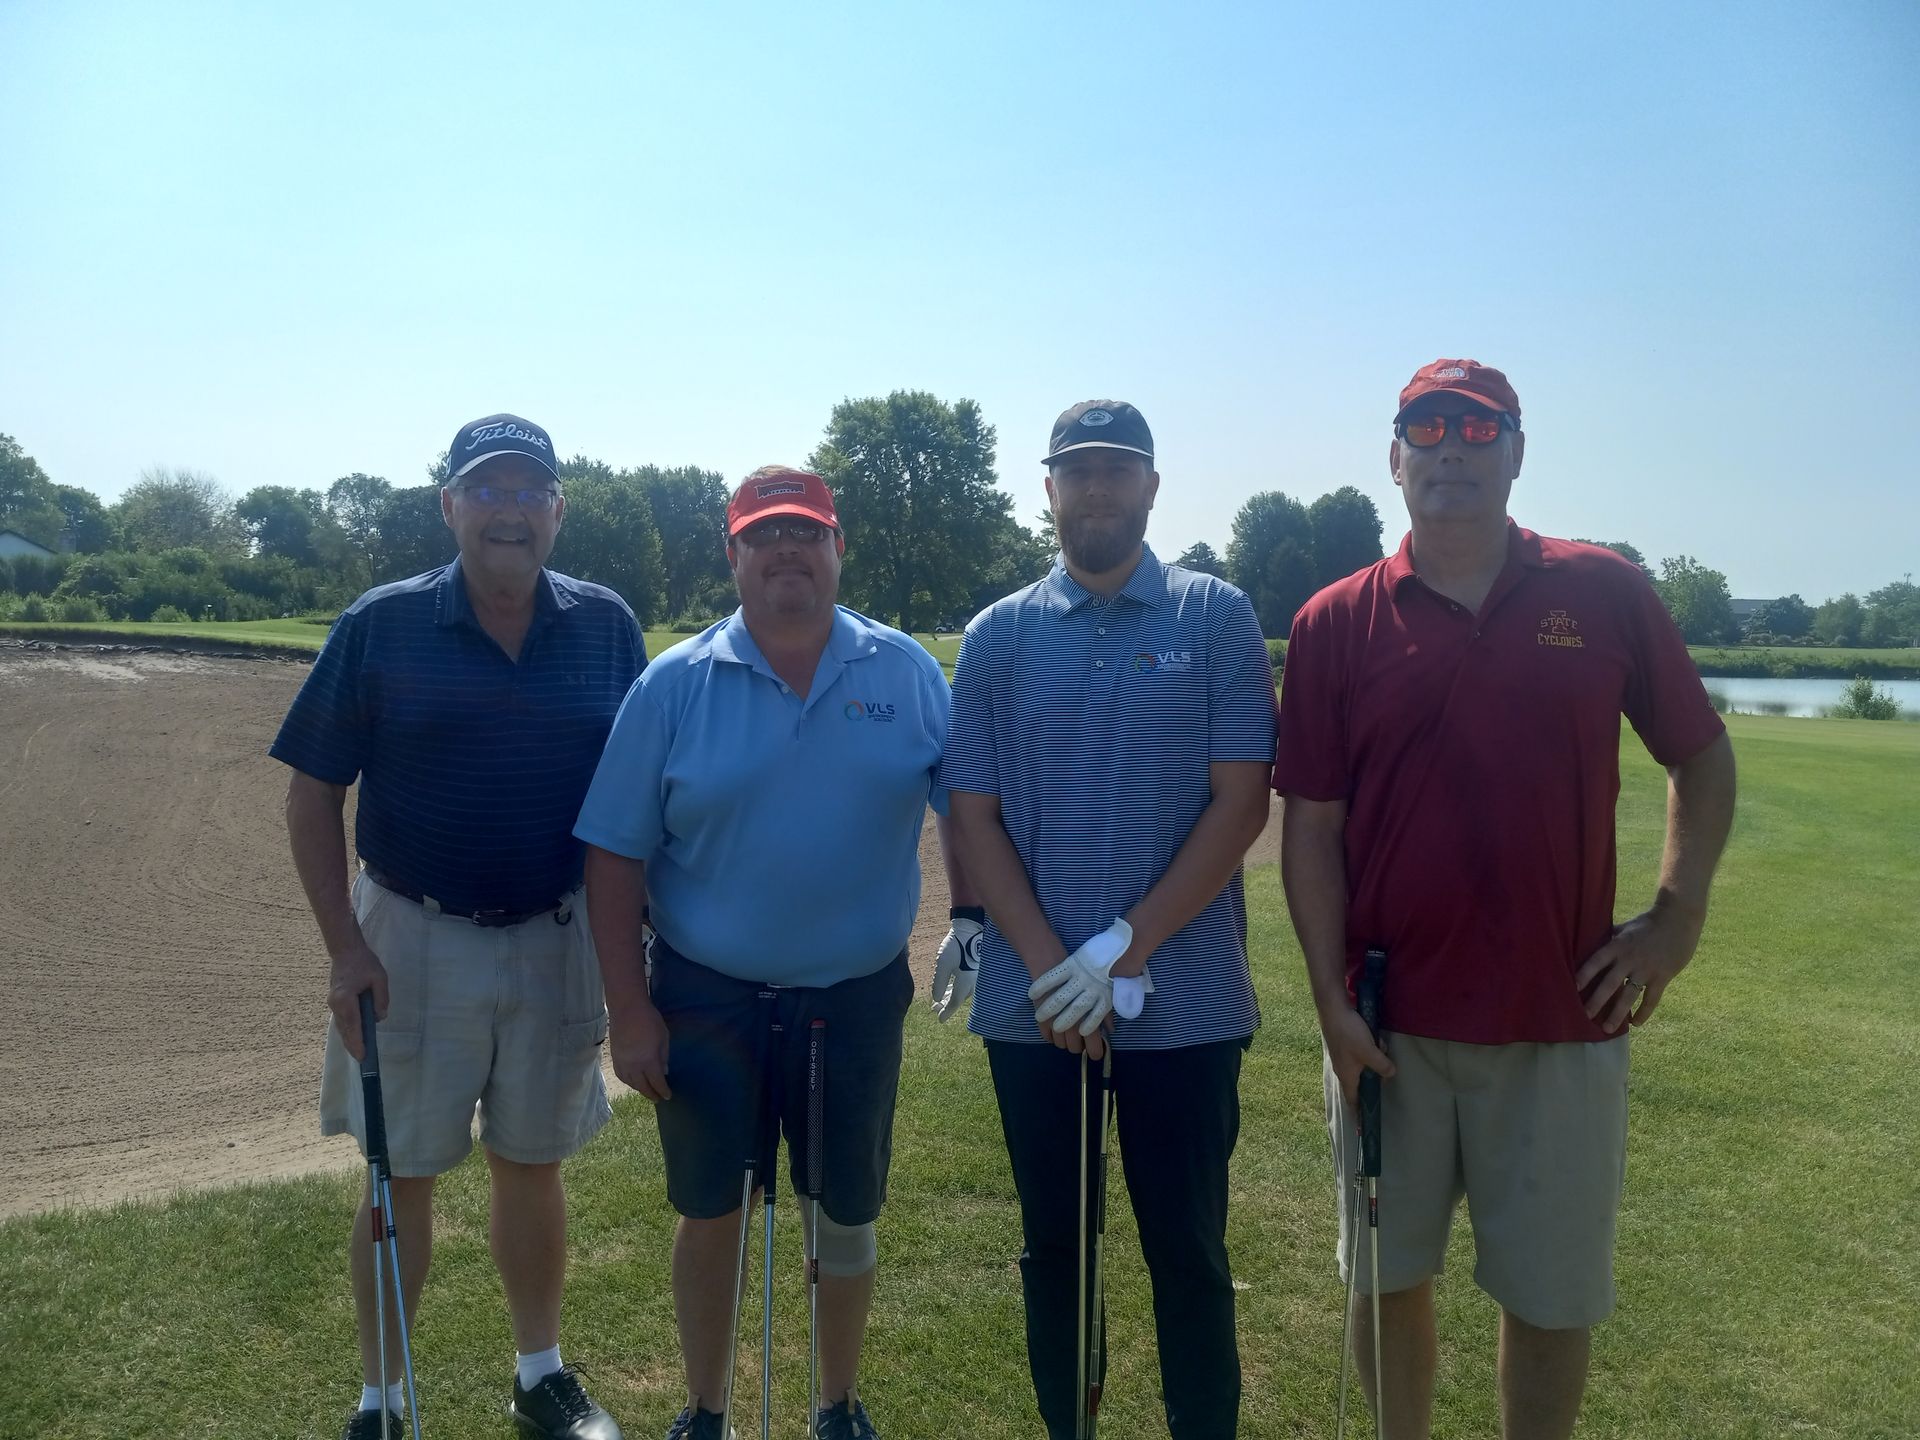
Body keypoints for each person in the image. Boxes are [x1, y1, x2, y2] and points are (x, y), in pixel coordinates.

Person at [1275, 360, 1737, 1440]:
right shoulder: (1335, 621)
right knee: (1387, 1285)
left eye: (1477, 430)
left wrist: (1677, 917)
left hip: (1561, 1017)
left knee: (1548, 1298)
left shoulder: (1604, 589)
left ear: (1516, 452)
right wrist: (1330, 1006)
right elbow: (1312, 828)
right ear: (1395, 460)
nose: (1450, 449)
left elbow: (1702, 759)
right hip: (1387, 1023)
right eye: (1425, 429)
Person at [574, 467, 970, 1440]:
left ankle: (836, 1402)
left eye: (807, 532)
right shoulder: (674, 685)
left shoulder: (906, 671)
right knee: (713, 1209)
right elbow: (614, 856)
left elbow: (966, 806)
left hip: (857, 996)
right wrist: (630, 1009)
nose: (786, 550)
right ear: (735, 555)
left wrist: (974, 915)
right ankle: (706, 1407)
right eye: (764, 536)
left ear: (838, 549)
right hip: (709, 996)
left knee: (844, 1211)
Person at [273, 413, 641, 1440]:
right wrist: (346, 946)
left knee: (533, 1163)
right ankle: (383, 1397)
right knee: (405, 1170)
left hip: (554, 931)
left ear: (559, 512)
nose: (510, 510)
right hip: (410, 936)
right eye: (488, 490)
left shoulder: (607, 626)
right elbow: (312, 798)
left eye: (531, 491)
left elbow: (639, 795)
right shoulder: (382, 624)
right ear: (450, 507)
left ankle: (541, 1376)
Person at [940, 401, 1276, 1440]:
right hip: (1035, 1008)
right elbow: (976, 815)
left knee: (1189, 1251)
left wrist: (1122, 949)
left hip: (1189, 1000)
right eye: (1076, 470)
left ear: (1152, 488)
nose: (1096, 487)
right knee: (1057, 1252)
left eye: (1117, 469)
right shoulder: (998, 636)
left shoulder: (1212, 616)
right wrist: (1056, 969)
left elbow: (1242, 801)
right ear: (1048, 490)